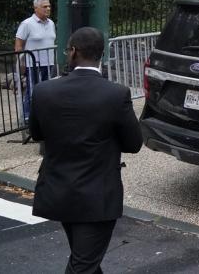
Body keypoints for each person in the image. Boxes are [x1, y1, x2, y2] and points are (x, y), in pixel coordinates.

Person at [29, 27, 143, 274]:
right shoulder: (116, 94)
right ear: (101, 54)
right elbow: (134, 144)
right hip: (97, 195)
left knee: (85, 259)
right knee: (84, 264)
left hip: (58, 188)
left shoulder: (43, 91)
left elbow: (37, 134)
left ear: (72, 52)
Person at [14, 0, 57, 123]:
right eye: (45, 6)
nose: (48, 9)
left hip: (48, 63)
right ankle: (27, 118)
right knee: (32, 91)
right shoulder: (27, 24)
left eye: (49, 6)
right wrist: (20, 63)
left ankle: (43, 116)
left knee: (47, 92)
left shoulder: (51, 23)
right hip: (33, 64)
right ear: (36, 8)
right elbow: (18, 45)